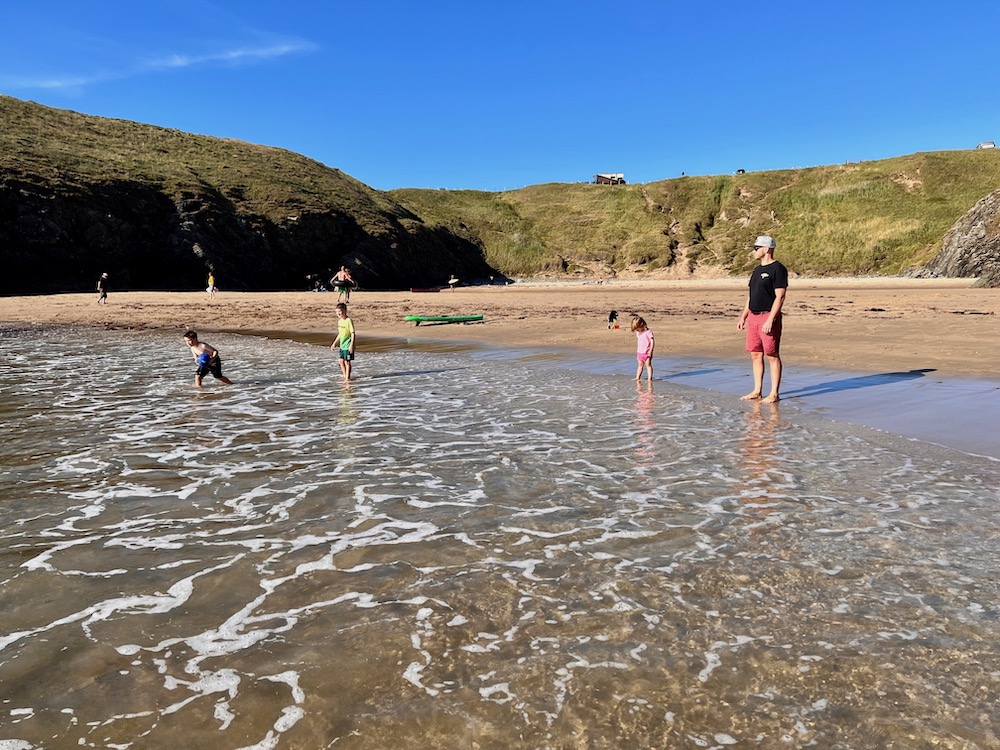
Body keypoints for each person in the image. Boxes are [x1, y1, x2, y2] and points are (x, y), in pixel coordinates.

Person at [737, 235, 788, 403]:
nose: (754, 251)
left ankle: (774, 393)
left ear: (766, 249)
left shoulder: (778, 269)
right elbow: (751, 296)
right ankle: (757, 390)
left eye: (756, 248)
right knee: (755, 354)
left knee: (772, 354)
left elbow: (779, 297)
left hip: (768, 316)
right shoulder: (756, 270)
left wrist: (770, 320)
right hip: (753, 316)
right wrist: (743, 316)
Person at [330, 303, 356, 381]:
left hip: (348, 345)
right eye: (337, 312)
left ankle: (347, 379)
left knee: (347, 362)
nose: (338, 313)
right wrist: (334, 343)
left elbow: (353, 333)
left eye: (340, 311)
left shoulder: (349, 321)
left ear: (345, 311)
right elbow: (340, 334)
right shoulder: (340, 321)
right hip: (342, 345)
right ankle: (345, 375)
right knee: (341, 361)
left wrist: (351, 345)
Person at [631, 316, 654, 382]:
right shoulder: (638, 332)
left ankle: (650, 378)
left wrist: (650, 350)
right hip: (640, 352)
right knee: (640, 365)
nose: (637, 330)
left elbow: (652, 341)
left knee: (648, 365)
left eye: (637, 329)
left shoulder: (648, 332)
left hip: (647, 352)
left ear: (642, 325)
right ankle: (637, 377)